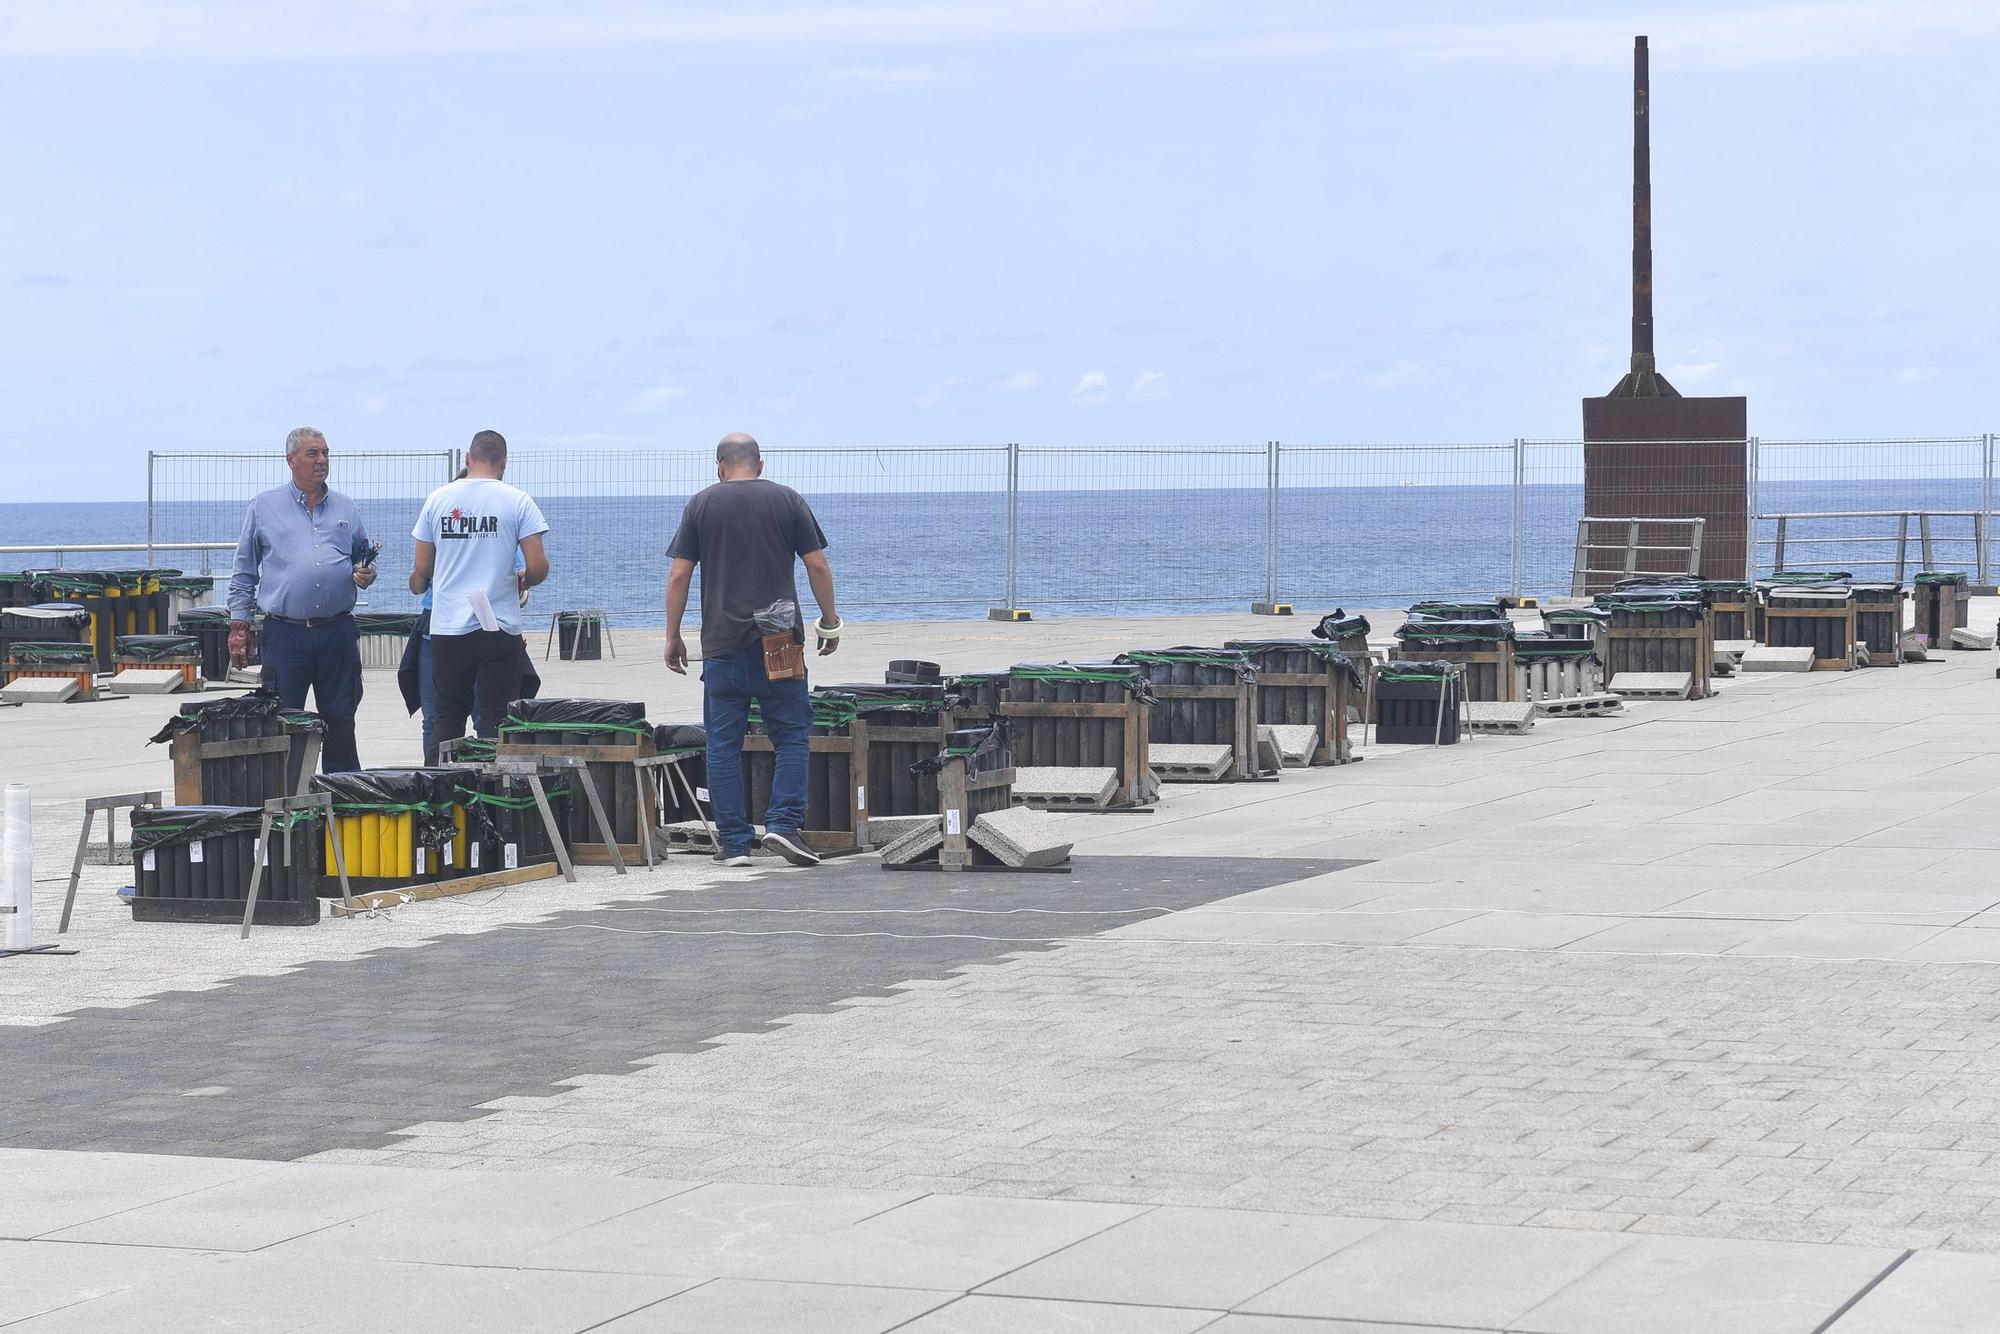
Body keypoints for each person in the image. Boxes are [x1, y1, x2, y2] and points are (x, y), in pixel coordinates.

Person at [665, 432, 841, 868]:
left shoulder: (702, 504)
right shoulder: (787, 500)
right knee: (791, 736)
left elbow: (679, 577)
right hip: (779, 644)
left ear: (720, 466)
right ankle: (783, 825)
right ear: (759, 465)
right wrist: (830, 620)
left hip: (722, 644)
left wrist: (673, 635)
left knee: (722, 745)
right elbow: (816, 563)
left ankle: (736, 843)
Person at [227, 427, 376, 772]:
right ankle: (287, 805)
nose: (322, 461)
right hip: (286, 634)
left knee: (341, 720)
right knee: (284, 721)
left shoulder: (346, 508)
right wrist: (239, 625)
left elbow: (362, 558)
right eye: (313, 454)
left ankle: (342, 803)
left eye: (325, 453)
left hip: (337, 632)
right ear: (291, 460)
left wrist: (366, 573)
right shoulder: (264, 507)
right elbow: (245, 570)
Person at [408, 430, 550, 763]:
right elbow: (539, 566)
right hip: (497, 626)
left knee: (447, 717)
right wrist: (524, 580)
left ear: (468, 459)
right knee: (497, 720)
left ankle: (437, 799)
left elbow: (423, 566)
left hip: (447, 628)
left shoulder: (438, 499)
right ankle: (495, 803)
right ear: (504, 463)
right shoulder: (517, 501)